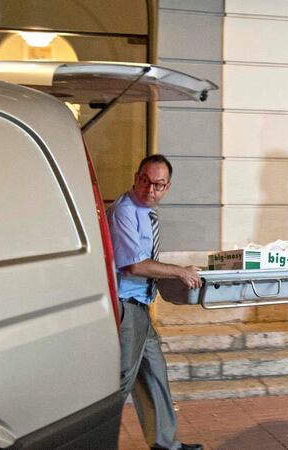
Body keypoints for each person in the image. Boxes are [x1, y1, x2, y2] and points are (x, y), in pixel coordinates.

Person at [107, 154, 204, 450]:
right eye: (145, 181)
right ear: (136, 177)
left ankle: (165, 444)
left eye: (158, 185)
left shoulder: (146, 213)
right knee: (120, 381)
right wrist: (179, 272)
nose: (150, 190)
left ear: (168, 186)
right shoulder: (124, 211)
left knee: (154, 374)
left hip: (140, 306)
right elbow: (133, 266)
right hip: (126, 308)